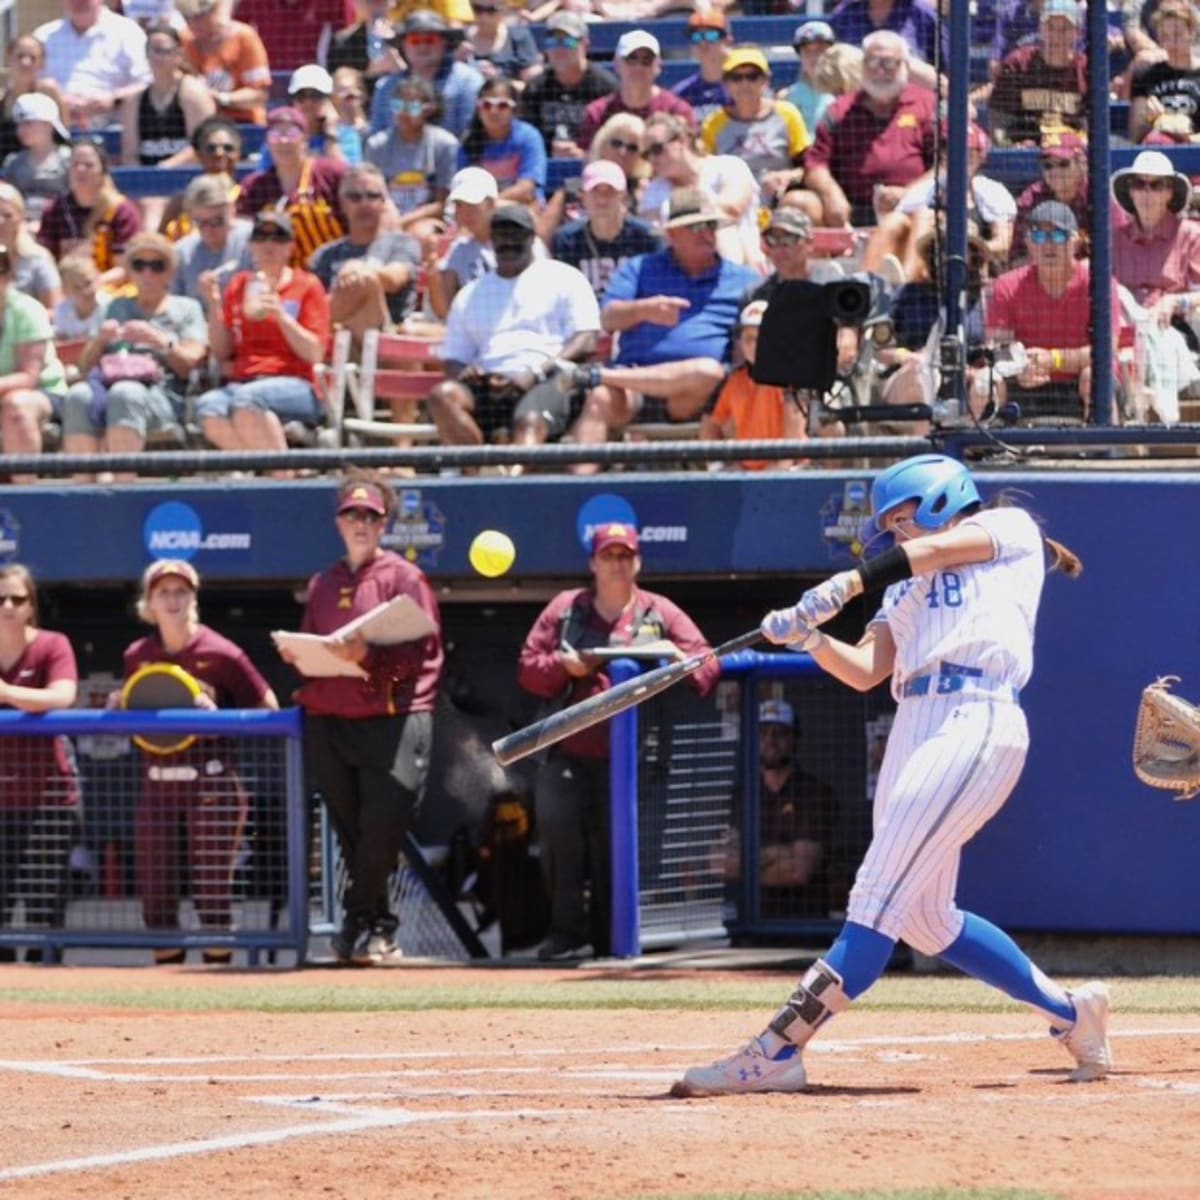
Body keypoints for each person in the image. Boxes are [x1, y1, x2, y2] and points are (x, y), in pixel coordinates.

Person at [674, 453, 1112, 1095]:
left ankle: (777, 1049)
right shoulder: (902, 585)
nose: (899, 534)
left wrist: (846, 585)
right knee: (926, 919)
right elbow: (866, 671)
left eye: (904, 519)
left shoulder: (1009, 529)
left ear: (940, 500)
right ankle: (1074, 1014)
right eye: (893, 526)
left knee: (875, 895)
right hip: (915, 722)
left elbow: (930, 554)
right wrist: (809, 638)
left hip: (976, 713)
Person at [518, 521, 718, 960]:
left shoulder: (658, 611)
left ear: (638, 561)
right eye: (608, 555)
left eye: (625, 555)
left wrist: (679, 661)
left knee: (617, 849)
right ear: (592, 562)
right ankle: (565, 932)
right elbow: (528, 667)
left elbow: (707, 665)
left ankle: (610, 939)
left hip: (630, 756)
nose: (616, 564)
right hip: (567, 751)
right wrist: (563, 668)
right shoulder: (567, 608)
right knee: (558, 836)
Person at [284, 471, 444, 965]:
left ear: (384, 524)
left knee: (382, 825)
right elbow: (316, 642)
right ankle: (379, 929)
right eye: (352, 514)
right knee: (352, 830)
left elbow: (423, 652)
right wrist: (302, 657)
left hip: (393, 717)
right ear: (338, 522)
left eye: (370, 516)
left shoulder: (404, 577)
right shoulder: (323, 583)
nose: (360, 523)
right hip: (331, 717)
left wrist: (367, 658)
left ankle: (355, 920)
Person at [123, 558, 278, 965]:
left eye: (181, 591)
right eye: (163, 592)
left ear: (194, 598)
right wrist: (115, 706)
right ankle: (169, 994)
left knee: (212, 892)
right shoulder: (138, 655)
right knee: (156, 895)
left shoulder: (221, 652)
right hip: (157, 783)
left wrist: (218, 715)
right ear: (149, 602)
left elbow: (269, 708)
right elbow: (131, 712)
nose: (173, 599)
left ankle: (216, 992)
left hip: (212, 784)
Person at [560, 187, 760, 446]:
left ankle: (597, 375)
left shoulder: (744, 281)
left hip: (696, 397)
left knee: (707, 370)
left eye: (711, 225)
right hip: (634, 388)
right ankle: (579, 486)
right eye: (696, 227)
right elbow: (608, 319)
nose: (707, 234)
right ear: (672, 234)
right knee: (600, 399)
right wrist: (644, 310)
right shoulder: (641, 268)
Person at [430, 203, 599, 452]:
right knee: (442, 396)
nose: (508, 242)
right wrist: (469, 373)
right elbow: (454, 358)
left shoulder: (565, 278)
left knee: (529, 421)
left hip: (549, 379)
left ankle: (512, 488)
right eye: (500, 235)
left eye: (516, 234)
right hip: (489, 387)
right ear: (491, 240)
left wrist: (537, 372)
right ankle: (478, 477)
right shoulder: (469, 294)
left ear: (532, 238)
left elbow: (587, 339)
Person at [60, 232, 208, 475]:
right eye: (139, 265)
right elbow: (86, 366)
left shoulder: (186, 308)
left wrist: (158, 340)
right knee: (77, 396)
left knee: (125, 393)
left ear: (169, 272)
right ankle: (83, 492)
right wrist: (100, 341)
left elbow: (190, 363)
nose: (147, 274)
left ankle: (121, 492)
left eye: (156, 266)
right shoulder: (116, 306)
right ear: (131, 271)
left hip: (164, 395)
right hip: (108, 386)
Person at [195, 210, 331, 454]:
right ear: (251, 246)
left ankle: (281, 475)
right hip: (245, 380)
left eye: (278, 237)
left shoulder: (307, 285)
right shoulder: (239, 285)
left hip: (297, 382)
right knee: (207, 407)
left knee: (248, 400)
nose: (269, 245)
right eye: (261, 237)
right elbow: (222, 351)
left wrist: (281, 316)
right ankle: (264, 473)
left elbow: (315, 353)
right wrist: (214, 304)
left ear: (290, 247)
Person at [0, 563, 81, 963]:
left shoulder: (52, 644)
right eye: (0, 599)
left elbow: (62, 696)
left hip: (48, 801)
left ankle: (49, 1017)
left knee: (43, 915)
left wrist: (7, 692)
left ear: (32, 605)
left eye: (18, 598)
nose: (8, 606)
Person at [986, 200, 1123, 424]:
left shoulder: (1099, 285)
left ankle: (1105, 452)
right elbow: (997, 348)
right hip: (1025, 380)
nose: (1048, 246)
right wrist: (1019, 367)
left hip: (1080, 381)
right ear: (1028, 243)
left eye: (1058, 236)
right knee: (987, 381)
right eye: (1039, 237)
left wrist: (1054, 359)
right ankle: (983, 452)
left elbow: (1107, 351)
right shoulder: (1006, 286)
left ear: (1076, 241)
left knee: (1095, 376)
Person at [710, 698, 840, 922]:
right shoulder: (742, 795)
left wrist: (748, 862)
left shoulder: (814, 793)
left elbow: (799, 871)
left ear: (794, 739)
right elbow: (721, 864)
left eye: (779, 733)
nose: (769, 740)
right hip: (745, 926)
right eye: (762, 733)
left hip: (804, 925)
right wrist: (781, 853)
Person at [801, 30, 936, 229]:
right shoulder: (839, 110)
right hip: (850, 209)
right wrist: (830, 193)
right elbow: (815, 164)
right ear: (862, 66)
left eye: (889, 63)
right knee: (800, 203)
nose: (880, 71)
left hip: (914, 208)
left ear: (905, 65)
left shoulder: (927, 105)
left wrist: (909, 194)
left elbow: (947, 163)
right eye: (872, 63)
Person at [1110, 150, 1200, 424]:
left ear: (1169, 193)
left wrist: (1173, 302)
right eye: (1139, 184)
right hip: (1125, 328)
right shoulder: (1114, 239)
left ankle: (1152, 413)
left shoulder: (1191, 235)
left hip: (1176, 327)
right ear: (1131, 192)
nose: (1146, 193)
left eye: (1156, 185)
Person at [310, 162, 423, 341]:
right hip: (335, 341)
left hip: (386, 345)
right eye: (355, 197)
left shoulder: (402, 243)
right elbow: (313, 302)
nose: (364, 204)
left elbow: (395, 279)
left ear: (384, 202)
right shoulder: (325, 255)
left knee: (365, 282)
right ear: (342, 204)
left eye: (372, 196)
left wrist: (359, 270)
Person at [638, 111, 762, 270]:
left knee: (724, 232)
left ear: (682, 141)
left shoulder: (728, 166)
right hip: (681, 266)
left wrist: (685, 207)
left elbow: (733, 209)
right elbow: (654, 231)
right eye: (646, 155)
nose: (652, 160)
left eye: (657, 149)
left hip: (741, 260)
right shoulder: (655, 189)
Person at [699, 300, 810, 471]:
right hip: (747, 472)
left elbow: (793, 438)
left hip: (790, 471)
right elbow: (711, 424)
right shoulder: (734, 380)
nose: (753, 345)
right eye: (748, 338)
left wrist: (771, 473)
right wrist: (719, 466)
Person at [236, 106, 349, 266]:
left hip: (333, 270)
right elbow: (242, 237)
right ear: (267, 142)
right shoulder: (254, 187)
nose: (284, 141)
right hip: (281, 278)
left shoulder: (332, 174)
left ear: (305, 139)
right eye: (276, 135)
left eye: (292, 134)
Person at [701, 48, 812, 204]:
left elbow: (810, 165)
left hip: (780, 202)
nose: (745, 84)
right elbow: (703, 173)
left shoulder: (787, 114)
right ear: (725, 83)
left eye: (753, 77)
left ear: (766, 81)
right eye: (736, 78)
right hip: (730, 204)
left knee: (804, 202)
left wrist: (788, 176)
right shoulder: (713, 123)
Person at [552, 159, 663, 301]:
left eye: (610, 192)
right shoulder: (567, 240)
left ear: (623, 196)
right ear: (583, 197)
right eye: (595, 192)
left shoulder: (647, 237)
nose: (602, 200)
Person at [0, 244, 69, 472]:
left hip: (44, 392)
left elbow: (29, 377)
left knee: (16, 406)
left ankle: (24, 499)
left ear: (10, 274)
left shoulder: (27, 310)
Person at [37, 138, 142, 286]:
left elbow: (125, 268)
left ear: (103, 171)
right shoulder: (55, 209)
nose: (81, 170)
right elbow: (45, 260)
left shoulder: (121, 211)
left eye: (89, 165)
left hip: (109, 290)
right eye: (75, 165)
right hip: (64, 289)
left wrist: (91, 285)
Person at [34, 0, 151, 131]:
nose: (78, 3)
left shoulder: (128, 32)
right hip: (53, 133)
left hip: (115, 129)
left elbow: (146, 82)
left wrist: (113, 100)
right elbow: (30, 82)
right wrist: (59, 100)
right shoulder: (44, 36)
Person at [368, 10, 485, 141]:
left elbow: (470, 137)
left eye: (430, 40)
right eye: (415, 40)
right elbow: (376, 137)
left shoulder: (468, 81)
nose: (422, 46)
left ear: (444, 43)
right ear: (403, 45)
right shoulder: (385, 87)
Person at [363, 75, 458, 232]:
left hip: (428, 221)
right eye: (398, 105)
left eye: (412, 107)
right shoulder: (376, 145)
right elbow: (373, 196)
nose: (403, 113)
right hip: (387, 219)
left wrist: (402, 223)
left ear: (429, 108)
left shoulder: (445, 144)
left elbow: (442, 203)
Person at [989, 0, 1088, 148]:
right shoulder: (1017, 64)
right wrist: (1008, 147)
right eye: (1050, 27)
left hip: (1071, 154)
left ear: (1078, 33)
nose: (1056, 35)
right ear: (1040, 29)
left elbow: (1092, 127)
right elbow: (998, 120)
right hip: (1023, 153)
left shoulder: (1086, 69)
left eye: (1065, 28)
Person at [576, 31, 695, 152]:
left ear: (658, 65)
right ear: (616, 64)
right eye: (631, 59)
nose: (638, 67)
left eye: (646, 60)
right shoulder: (597, 114)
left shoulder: (677, 111)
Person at [119, 20, 214, 169]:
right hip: (146, 182)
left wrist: (163, 170)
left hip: (188, 177)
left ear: (179, 54)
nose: (158, 57)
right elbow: (130, 154)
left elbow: (202, 145)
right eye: (152, 51)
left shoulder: (193, 93)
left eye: (164, 51)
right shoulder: (134, 100)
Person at [521, 12, 616, 156]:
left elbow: (613, 140)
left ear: (585, 44)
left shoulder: (605, 87)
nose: (559, 49)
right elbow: (527, 137)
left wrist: (584, 154)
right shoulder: (535, 88)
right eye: (552, 43)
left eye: (568, 42)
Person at [176, 0, 271, 127]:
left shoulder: (244, 37)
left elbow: (259, 95)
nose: (193, 24)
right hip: (197, 123)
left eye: (199, 16)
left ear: (214, 10)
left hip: (243, 122)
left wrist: (221, 99)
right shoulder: (182, 41)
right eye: (187, 17)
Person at [456, 76, 547, 205]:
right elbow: (463, 189)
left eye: (502, 105)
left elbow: (526, 189)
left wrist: (490, 204)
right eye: (487, 105)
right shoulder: (468, 142)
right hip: (480, 212)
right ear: (478, 109)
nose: (494, 111)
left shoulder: (529, 137)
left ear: (514, 109)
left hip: (521, 208)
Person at [427, 164, 498, 318]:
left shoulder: (519, 244)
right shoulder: (459, 249)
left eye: (472, 204)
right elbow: (444, 313)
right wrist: (432, 271)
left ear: (491, 204)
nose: (465, 212)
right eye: (459, 205)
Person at [170, 173, 253, 302]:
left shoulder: (254, 240)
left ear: (231, 210)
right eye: (200, 223)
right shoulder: (181, 253)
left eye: (216, 221)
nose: (208, 230)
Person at [159, 116, 243, 241]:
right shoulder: (180, 203)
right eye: (211, 148)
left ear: (238, 154)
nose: (219, 153)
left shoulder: (246, 195)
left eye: (228, 148)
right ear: (198, 155)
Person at [1128, 0, 1200, 144]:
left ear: (1192, 32)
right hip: (1158, 151)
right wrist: (1150, 119)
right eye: (1165, 37)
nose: (1171, 43)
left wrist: (1186, 138)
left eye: (1177, 35)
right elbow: (1135, 136)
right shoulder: (1145, 76)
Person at [1, 92, 72, 230]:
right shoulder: (13, 163)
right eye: (19, 124)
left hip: (60, 228)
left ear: (48, 125)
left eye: (28, 123)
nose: (21, 129)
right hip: (21, 230)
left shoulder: (69, 159)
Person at [0, 35, 66, 165]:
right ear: (8, 59)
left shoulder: (49, 92)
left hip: (45, 169)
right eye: (20, 56)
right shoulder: (2, 99)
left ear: (42, 63)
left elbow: (63, 135)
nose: (26, 63)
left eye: (33, 58)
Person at [0, 183, 62, 311]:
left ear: (20, 217)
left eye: (7, 216)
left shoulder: (37, 259)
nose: (0, 222)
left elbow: (54, 309)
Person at [670, 10, 732, 125]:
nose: (703, 43)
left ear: (727, 40)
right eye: (696, 37)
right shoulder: (681, 92)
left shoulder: (744, 83)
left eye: (711, 36)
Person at [462, 0, 542, 83]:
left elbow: (530, 85)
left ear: (504, 10)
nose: (484, 16)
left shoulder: (519, 37)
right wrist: (454, 62)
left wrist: (499, 79)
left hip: (508, 94)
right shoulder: (459, 39)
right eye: (478, 9)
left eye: (492, 10)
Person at [782, 20, 837, 139]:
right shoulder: (786, 97)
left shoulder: (845, 92)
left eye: (820, 50)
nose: (814, 57)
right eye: (807, 51)